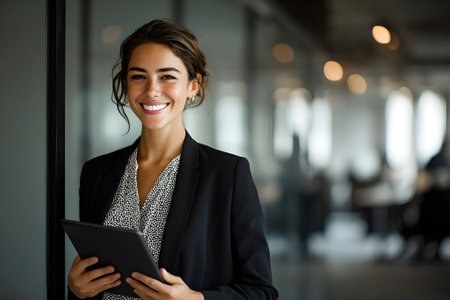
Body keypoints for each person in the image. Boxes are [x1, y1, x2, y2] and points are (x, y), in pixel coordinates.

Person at [67, 19, 278, 300]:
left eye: (167, 76)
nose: (152, 90)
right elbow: (92, 278)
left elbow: (261, 292)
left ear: (193, 85)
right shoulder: (97, 172)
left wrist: (196, 299)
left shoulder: (227, 174)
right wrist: (77, 290)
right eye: (138, 76)